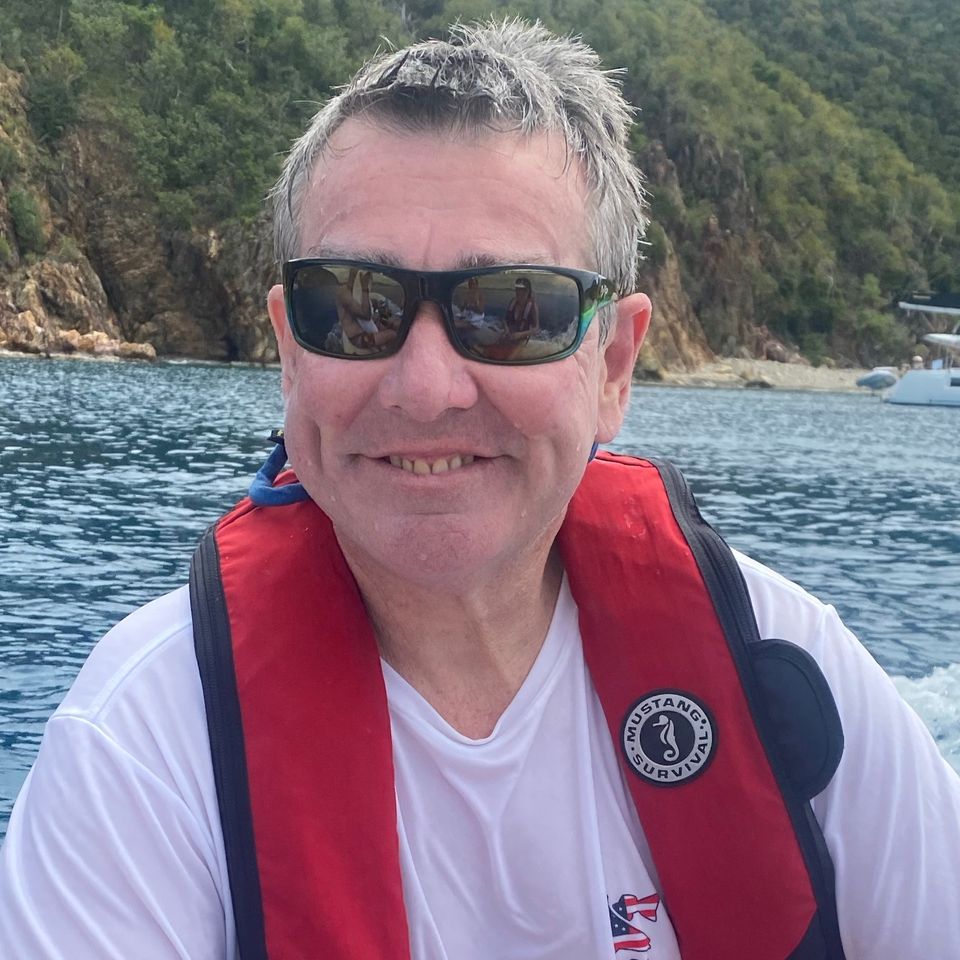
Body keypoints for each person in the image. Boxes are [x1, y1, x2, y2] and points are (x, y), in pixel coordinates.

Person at [2, 19, 959, 960]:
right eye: (356, 307)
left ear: (613, 366)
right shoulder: (147, 742)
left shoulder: (784, 668)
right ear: (291, 353)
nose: (426, 389)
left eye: (512, 311)